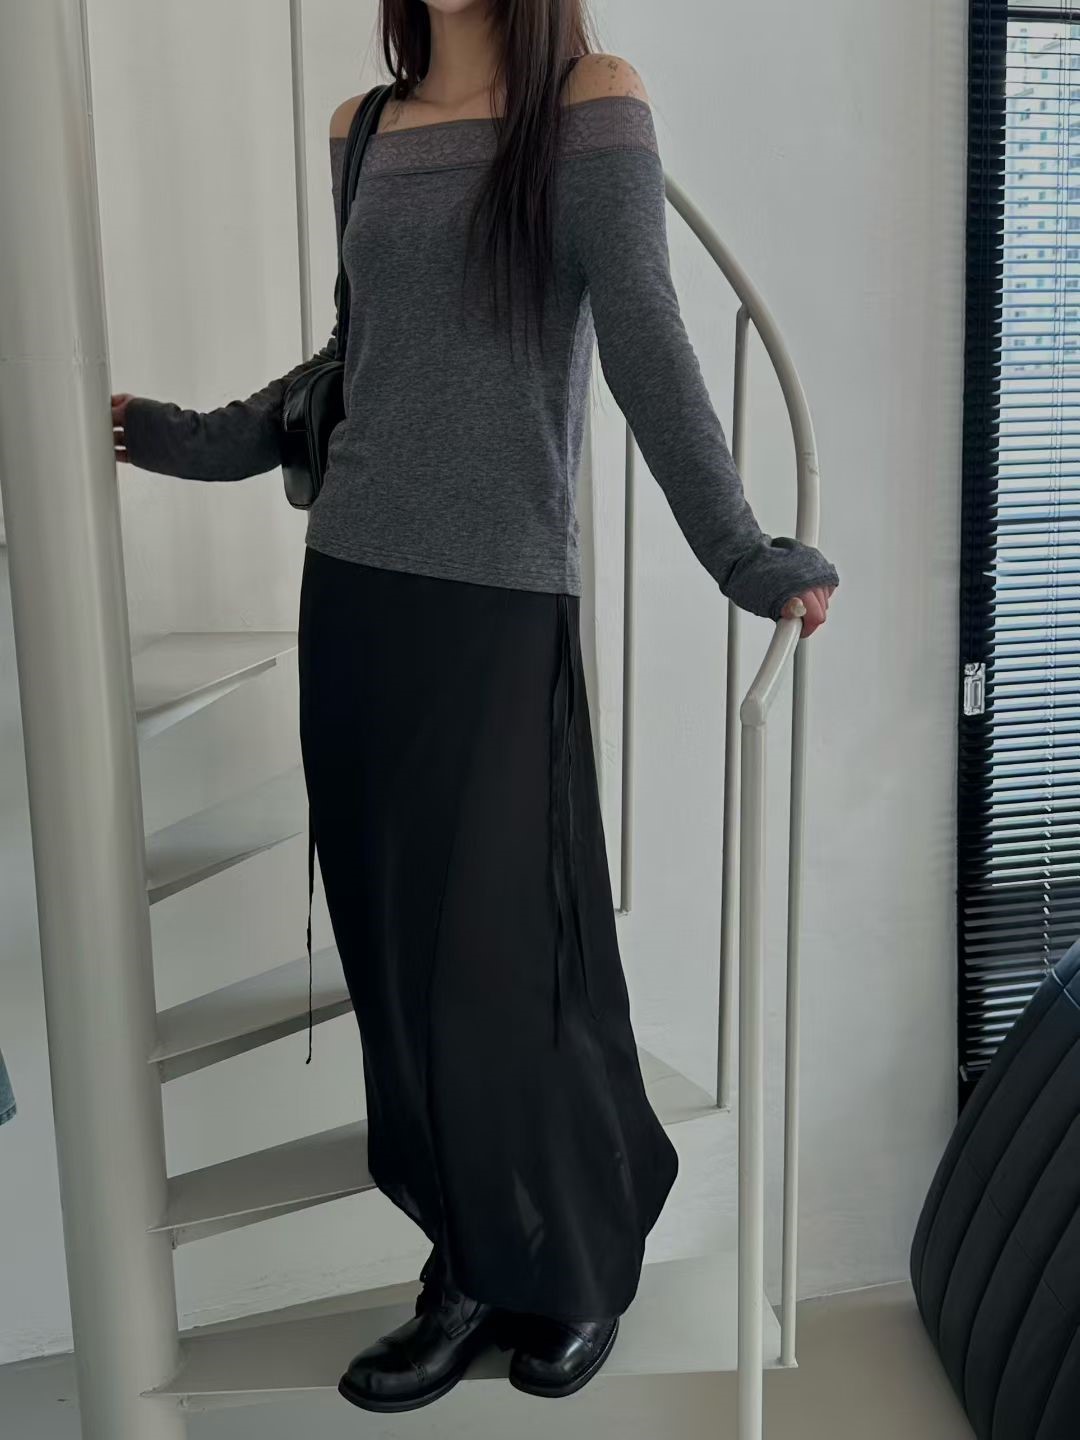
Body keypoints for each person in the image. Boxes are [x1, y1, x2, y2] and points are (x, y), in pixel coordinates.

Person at [112, 0, 838, 1414]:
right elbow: (354, 363)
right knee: (395, 971)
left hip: (500, 598)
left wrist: (745, 555)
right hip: (354, 592)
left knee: (507, 970)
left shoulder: (592, 107)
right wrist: (178, 437)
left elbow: (647, 345)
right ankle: (462, 1266)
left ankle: (576, 1261)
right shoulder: (364, 129)